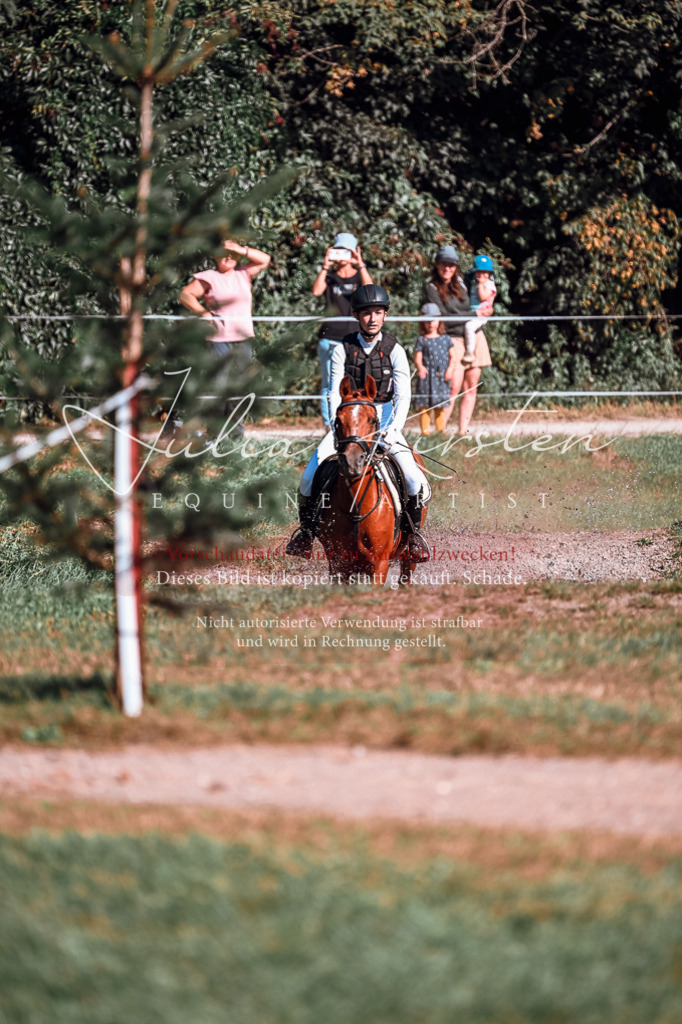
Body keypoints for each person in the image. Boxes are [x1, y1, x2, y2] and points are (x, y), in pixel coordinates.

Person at [285, 284, 431, 561]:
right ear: (356, 315)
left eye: (378, 312)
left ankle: (413, 537)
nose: (372, 318)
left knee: (414, 479)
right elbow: (331, 390)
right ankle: (305, 534)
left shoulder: (395, 349)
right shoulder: (343, 349)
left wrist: (394, 428)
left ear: (385, 315)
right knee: (307, 478)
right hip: (348, 425)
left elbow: (404, 393)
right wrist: (334, 427)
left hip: (385, 422)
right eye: (366, 313)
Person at [178, 239, 271, 433]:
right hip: (218, 338)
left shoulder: (243, 273)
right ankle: (214, 431)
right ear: (215, 255)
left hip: (243, 337)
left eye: (232, 255)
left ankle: (235, 430)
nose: (228, 257)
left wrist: (239, 249)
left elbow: (265, 259)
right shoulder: (209, 277)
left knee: (241, 385)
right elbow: (186, 295)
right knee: (219, 385)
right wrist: (203, 313)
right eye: (224, 253)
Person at [424, 245, 492, 436]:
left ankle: (462, 432)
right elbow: (443, 316)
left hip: (475, 335)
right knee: (452, 387)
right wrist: (473, 313)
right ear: (437, 265)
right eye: (444, 264)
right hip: (453, 339)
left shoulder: (463, 282)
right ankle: (440, 431)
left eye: (452, 265)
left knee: (471, 386)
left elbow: (482, 290)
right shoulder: (431, 287)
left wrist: (486, 308)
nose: (448, 268)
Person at [312, 232, 372, 426]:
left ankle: (354, 423)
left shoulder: (358, 277)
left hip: (355, 338)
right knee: (329, 384)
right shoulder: (329, 276)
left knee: (356, 382)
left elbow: (371, 290)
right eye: (340, 250)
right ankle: (329, 425)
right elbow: (316, 291)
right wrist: (325, 266)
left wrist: (360, 263)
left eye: (348, 251)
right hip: (329, 336)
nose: (343, 256)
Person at [413, 303, 456, 435]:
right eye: (427, 321)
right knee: (424, 405)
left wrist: (450, 370)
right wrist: (420, 367)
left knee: (440, 405)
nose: (431, 323)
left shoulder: (446, 339)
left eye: (434, 320)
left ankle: (440, 432)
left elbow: (453, 357)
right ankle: (425, 433)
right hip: (427, 377)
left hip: (440, 377)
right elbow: (417, 357)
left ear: (439, 320)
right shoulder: (422, 340)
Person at [462, 254, 496, 366]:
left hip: (482, 315)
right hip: (473, 313)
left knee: (469, 327)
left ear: (490, 274)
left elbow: (483, 297)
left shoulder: (489, 285)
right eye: (479, 272)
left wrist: (481, 284)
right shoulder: (474, 284)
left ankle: (469, 351)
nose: (482, 275)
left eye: (485, 272)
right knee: (467, 326)